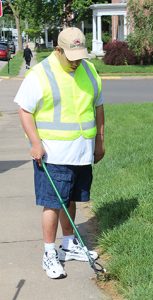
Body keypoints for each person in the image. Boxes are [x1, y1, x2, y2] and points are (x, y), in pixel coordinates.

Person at [14, 27, 105, 279]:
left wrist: (99, 141)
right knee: (53, 204)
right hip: (51, 154)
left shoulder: (88, 69)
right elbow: (24, 110)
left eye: (80, 55)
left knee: (71, 199)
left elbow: (98, 106)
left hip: (81, 152)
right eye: (71, 56)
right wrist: (35, 143)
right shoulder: (40, 74)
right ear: (58, 50)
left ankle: (69, 244)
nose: (76, 61)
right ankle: (49, 253)